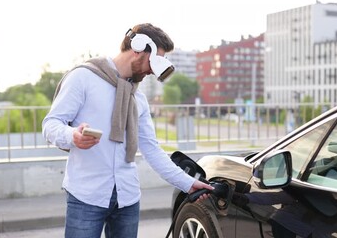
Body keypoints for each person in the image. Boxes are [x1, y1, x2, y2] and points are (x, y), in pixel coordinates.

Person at [42, 23, 214, 238]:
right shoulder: (83, 78)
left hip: (127, 198)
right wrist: (72, 136)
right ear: (138, 48)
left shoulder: (137, 98)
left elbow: (151, 149)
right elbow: (51, 124)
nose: (152, 70)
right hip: (86, 196)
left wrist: (188, 184)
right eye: (153, 61)